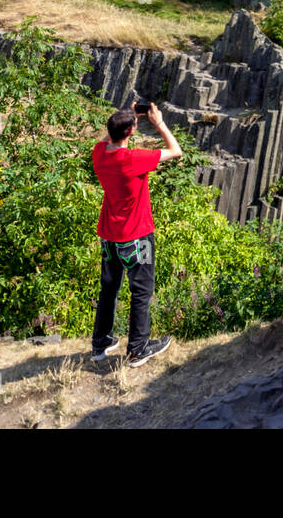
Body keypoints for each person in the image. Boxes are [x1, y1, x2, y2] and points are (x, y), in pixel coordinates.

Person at [90, 101, 182, 367]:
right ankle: (138, 348)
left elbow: (111, 137)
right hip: (136, 237)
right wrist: (159, 122)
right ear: (130, 133)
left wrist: (126, 117)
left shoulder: (99, 154)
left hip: (109, 236)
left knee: (109, 289)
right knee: (141, 290)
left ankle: (101, 343)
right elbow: (176, 151)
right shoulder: (133, 159)